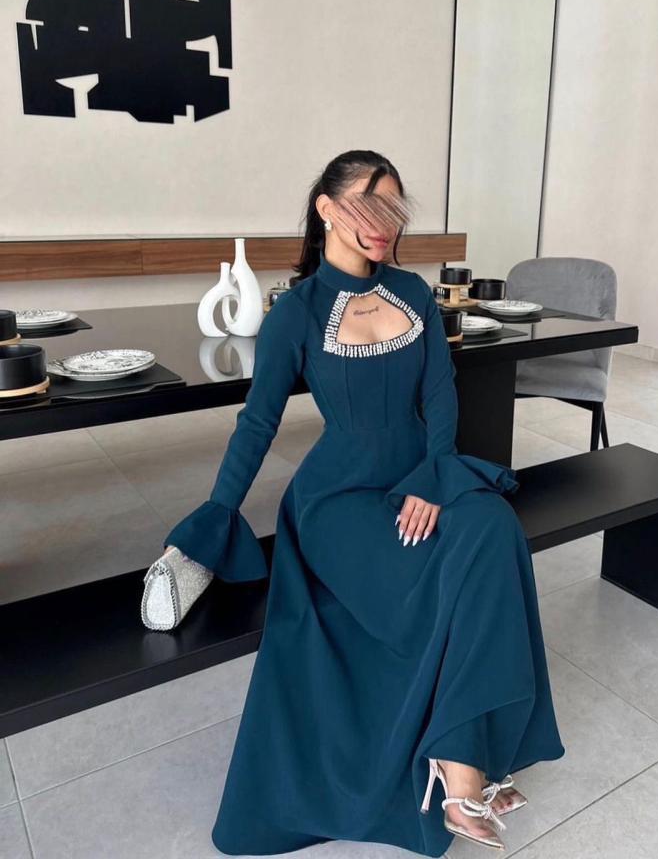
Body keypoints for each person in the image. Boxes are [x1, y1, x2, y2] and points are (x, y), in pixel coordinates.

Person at [149, 149, 566, 856]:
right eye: (369, 205)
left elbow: (441, 394)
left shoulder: (413, 293)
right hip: (337, 499)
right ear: (327, 209)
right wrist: (214, 518)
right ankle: (461, 769)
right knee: (434, 566)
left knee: (493, 526)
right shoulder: (297, 313)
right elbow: (257, 423)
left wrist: (435, 475)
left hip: (422, 475)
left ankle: (456, 754)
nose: (384, 223)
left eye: (394, 209)